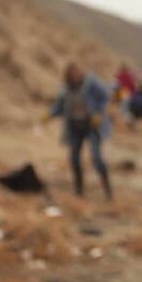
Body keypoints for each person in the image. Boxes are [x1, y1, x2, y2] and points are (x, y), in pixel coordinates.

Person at [44, 62, 113, 200]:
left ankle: (108, 190)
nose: (74, 78)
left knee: (97, 158)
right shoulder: (66, 90)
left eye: (75, 75)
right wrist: (49, 115)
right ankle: (79, 190)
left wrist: (99, 113)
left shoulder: (91, 84)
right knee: (74, 159)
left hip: (92, 126)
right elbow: (59, 106)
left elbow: (105, 96)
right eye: (71, 76)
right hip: (75, 128)